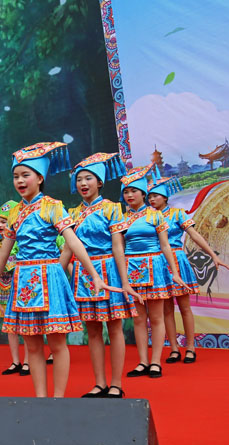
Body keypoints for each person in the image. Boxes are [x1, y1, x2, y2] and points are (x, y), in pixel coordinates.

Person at [0, 142, 117, 398]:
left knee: (57, 343)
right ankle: (41, 398)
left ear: (40, 178)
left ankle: (58, 399)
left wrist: (94, 275)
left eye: (25, 175)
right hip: (24, 278)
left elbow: (73, 242)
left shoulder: (52, 206)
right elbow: (3, 254)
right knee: (32, 345)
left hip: (50, 277)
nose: (20, 181)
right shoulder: (14, 213)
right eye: (16, 176)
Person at [60, 153, 140, 398]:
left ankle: (116, 384)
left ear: (100, 182)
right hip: (83, 275)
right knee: (92, 330)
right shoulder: (71, 213)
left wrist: (124, 282)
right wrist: (56, 275)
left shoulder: (112, 208)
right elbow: (68, 249)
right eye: (79, 179)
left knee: (114, 328)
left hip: (109, 271)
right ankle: (100, 383)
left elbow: (118, 247)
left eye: (88, 178)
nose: (83, 183)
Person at [147, 177, 229, 364]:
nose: (151, 199)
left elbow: (194, 235)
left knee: (184, 307)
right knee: (166, 309)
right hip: (158, 263)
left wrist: (213, 255)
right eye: (149, 197)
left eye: (155, 196)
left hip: (177, 260)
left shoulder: (177, 214)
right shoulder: (148, 217)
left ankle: (191, 347)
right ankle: (174, 348)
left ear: (165, 197)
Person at [119, 165, 186, 379]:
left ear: (143, 194)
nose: (129, 195)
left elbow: (165, 246)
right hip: (131, 268)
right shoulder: (121, 219)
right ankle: (143, 362)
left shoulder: (156, 216)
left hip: (154, 266)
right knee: (139, 319)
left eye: (134, 191)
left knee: (156, 317)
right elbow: (119, 247)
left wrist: (174, 272)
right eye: (126, 192)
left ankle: (156, 361)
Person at [0, 201, 31, 376]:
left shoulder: (21, 243)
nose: (1, 225)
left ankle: (28, 361)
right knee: (10, 327)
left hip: (22, 291)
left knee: (26, 326)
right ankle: (15, 361)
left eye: (5, 222)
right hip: (4, 290)